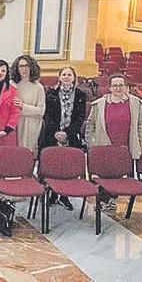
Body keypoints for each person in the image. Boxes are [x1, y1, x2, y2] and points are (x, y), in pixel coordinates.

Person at [85, 74, 142, 212]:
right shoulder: (99, 104)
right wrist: (90, 143)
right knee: (104, 173)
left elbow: (141, 125)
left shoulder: (135, 103)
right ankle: (102, 200)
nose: (118, 88)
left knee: (118, 174)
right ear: (109, 87)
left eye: (121, 85)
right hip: (104, 144)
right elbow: (90, 124)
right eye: (115, 85)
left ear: (126, 87)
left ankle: (112, 200)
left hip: (125, 145)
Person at [38, 67, 88, 211]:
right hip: (52, 135)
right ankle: (53, 194)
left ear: (74, 78)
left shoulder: (80, 94)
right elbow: (47, 115)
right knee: (54, 165)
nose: (66, 77)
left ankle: (64, 196)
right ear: (59, 77)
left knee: (67, 166)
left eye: (69, 74)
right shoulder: (51, 93)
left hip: (71, 136)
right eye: (64, 74)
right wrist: (56, 132)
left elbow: (80, 118)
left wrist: (67, 133)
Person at [11, 55, 46, 156]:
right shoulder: (12, 84)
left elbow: (41, 111)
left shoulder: (38, 87)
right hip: (15, 124)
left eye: (27, 66)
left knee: (27, 154)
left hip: (31, 124)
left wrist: (23, 106)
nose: (24, 69)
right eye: (21, 66)